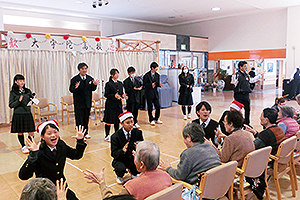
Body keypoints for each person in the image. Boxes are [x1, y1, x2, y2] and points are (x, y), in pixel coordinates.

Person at [19, 120, 87, 200]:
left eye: (55, 132)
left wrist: (80, 141)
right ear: (42, 136)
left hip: (61, 187)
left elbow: (76, 155)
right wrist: (33, 155)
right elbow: (23, 176)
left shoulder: (61, 145)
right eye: (49, 133)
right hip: (45, 191)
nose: (53, 135)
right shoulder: (39, 151)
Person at [84, 141, 172, 200]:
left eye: (135, 154)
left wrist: (101, 182)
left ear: (141, 164)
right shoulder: (167, 177)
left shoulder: (131, 187)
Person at [111, 112, 144, 184]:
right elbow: (113, 153)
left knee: (141, 163)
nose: (131, 124)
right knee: (120, 168)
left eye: (132, 121)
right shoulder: (115, 136)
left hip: (132, 157)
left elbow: (142, 146)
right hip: (121, 158)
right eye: (127, 123)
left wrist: (139, 148)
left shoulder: (138, 132)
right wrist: (122, 151)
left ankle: (133, 172)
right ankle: (119, 175)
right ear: (121, 124)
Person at [69, 62, 99, 140]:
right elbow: (71, 90)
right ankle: (80, 134)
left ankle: (86, 133)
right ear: (79, 70)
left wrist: (94, 85)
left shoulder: (89, 78)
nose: (84, 70)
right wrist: (76, 87)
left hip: (87, 102)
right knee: (79, 119)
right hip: (79, 103)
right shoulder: (74, 79)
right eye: (82, 69)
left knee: (86, 118)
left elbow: (92, 89)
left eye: (85, 68)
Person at [231, 61, 264, 125]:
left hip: (246, 95)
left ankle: (247, 123)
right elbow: (233, 82)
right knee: (237, 110)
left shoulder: (246, 75)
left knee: (247, 109)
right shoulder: (237, 75)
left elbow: (252, 80)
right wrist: (233, 75)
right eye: (245, 66)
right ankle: (237, 123)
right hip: (239, 95)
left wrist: (260, 75)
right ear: (240, 67)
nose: (246, 67)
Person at [9, 74, 36, 154]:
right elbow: (11, 105)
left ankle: (29, 145)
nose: (22, 82)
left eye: (23, 80)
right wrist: (19, 101)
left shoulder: (27, 91)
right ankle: (23, 146)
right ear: (16, 82)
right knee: (20, 131)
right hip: (18, 114)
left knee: (31, 131)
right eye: (20, 81)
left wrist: (33, 100)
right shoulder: (13, 92)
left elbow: (31, 99)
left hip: (27, 113)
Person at [103, 68, 128, 142]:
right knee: (108, 121)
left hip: (118, 105)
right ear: (112, 75)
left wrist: (123, 95)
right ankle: (107, 135)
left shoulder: (120, 83)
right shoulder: (108, 84)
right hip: (110, 105)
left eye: (118, 73)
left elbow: (121, 92)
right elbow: (106, 94)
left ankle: (116, 134)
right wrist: (114, 96)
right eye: (115, 73)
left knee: (117, 120)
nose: (117, 75)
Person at [143, 61, 163, 126]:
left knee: (158, 106)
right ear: (152, 68)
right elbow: (144, 84)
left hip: (155, 93)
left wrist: (159, 85)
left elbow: (157, 84)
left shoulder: (157, 75)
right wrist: (150, 85)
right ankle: (151, 119)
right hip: (149, 93)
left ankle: (156, 118)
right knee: (150, 107)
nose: (157, 69)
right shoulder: (146, 75)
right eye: (156, 67)